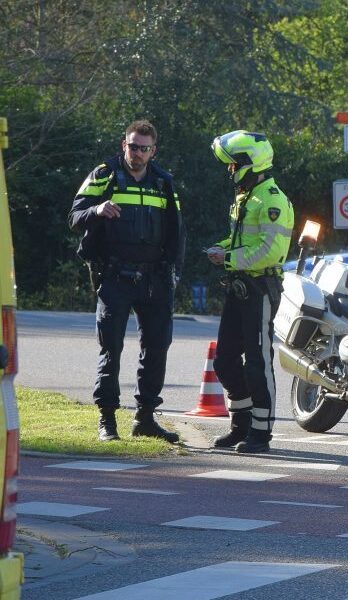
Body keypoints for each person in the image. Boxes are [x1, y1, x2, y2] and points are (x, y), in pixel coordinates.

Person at [69, 119, 185, 443]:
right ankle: (107, 420)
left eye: (143, 148)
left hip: (155, 279)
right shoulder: (104, 175)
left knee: (157, 347)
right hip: (115, 276)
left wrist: (174, 272)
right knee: (111, 348)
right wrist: (97, 209)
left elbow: (178, 231)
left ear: (153, 151)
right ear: (124, 145)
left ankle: (145, 418)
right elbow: (74, 216)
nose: (136, 153)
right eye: (132, 146)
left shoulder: (163, 183)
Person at [206, 130, 294, 454]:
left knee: (258, 361)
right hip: (240, 285)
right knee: (225, 360)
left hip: (260, 287)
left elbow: (270, 250)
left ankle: (261, 430)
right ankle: (240, 423)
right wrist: (222, 248)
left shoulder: (271, 199)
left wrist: (227, 257)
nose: (231, 170)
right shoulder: (246, 196)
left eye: (235, 164)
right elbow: (244, 242)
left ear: (250, 163)